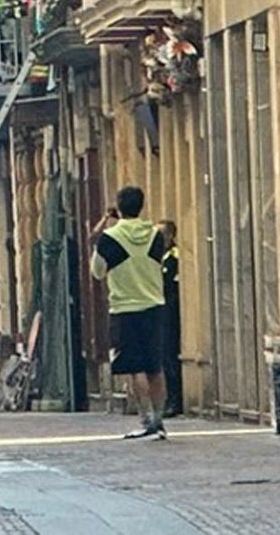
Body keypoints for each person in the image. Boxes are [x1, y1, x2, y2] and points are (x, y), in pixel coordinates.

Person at [91, 186, 169, 440]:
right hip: (154, 305)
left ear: (119, 207)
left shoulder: (110, 238)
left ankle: (146, 419)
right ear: (142, 206)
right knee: (155, 366)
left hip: (125, 308)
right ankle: (159, 419)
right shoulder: (155, 235)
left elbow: (97, 272)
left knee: (135, 368)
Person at [159, 220, 182, 418]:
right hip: (160, 308)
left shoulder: (173, 256)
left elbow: (169, 282)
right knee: (164, 356)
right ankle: (168, 398)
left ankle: (175, 400)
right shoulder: (157, 256)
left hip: (170, 309)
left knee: (170, 354)